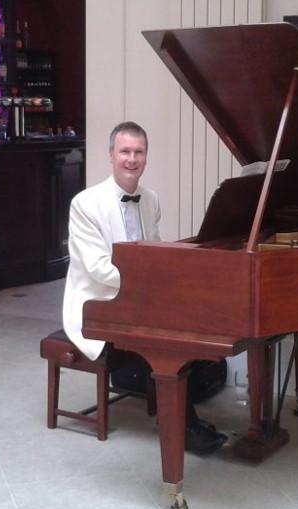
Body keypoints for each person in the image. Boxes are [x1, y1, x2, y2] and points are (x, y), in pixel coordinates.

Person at [62, 120, 227, 454]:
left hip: (138, 300)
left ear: (146, 157)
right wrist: (149, 287)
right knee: (171, 342)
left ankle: (180, 413)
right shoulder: (84, 203)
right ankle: (184, 428)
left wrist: (168, 281)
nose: (131, 159)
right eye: (124, 151)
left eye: (138, 152)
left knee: (192, 329)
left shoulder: (150, 199)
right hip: (98, 304)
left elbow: (153, 252)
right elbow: (97, 269)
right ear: (111, 155)